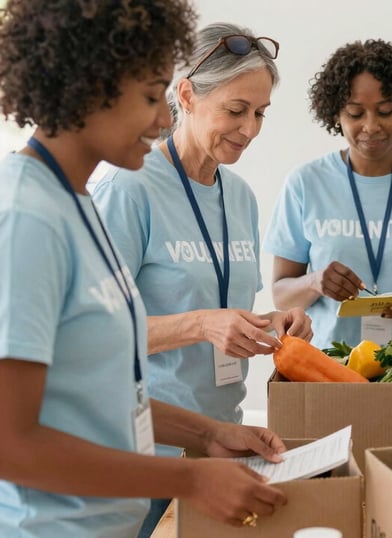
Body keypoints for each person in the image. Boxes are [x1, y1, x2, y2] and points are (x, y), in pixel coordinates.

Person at [0, 3, 291, 536]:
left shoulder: (75, 203)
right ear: (92, 87)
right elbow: (10, 442)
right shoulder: (27, 217)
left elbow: (107, 388)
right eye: (152, 96)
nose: (163, 119)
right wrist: (189, 480)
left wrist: (207, 436)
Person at [91, 22, 312, 536]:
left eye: (260, 113)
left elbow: (225, 311)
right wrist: (199, 324)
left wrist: (274, 322)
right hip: (137, 449)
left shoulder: (240, 196)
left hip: (218, 444)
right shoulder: (128, 186)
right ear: (186, 95)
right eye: (236, 111)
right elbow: (92, 336)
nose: (251, 129)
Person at [263, 39, 392, 349]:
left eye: (385, 111)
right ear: (336, 114)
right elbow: (281, 293)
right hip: (330, 366)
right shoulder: (305, 183)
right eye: (355, 113)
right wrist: (315, 282)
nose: (371, 126)